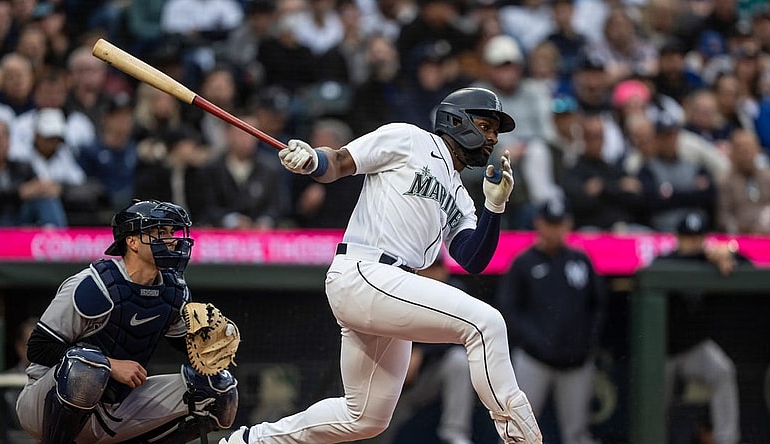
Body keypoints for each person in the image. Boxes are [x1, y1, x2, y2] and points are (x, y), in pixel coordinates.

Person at [221, 86, 542, 444]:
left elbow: (472, 259)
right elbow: (340, 162)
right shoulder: (409, 138)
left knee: (365, 418)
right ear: (457, 120)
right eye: (486, 125)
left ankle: (248, 441)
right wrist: (313, 160)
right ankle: (522, 439)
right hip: (366, 271)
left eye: (495, 131)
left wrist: (494, 208)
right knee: (486, 324)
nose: (492, 138)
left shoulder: (462, 196)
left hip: (392, 288)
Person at [15, 199, 239, 443]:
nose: (172, 239)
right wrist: (110, 365)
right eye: (160, 232)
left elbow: (184, 346)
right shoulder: (93, 285)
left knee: (219, 389)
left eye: (171, 232)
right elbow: (38, 348)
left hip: (114, 408)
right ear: (132, 241)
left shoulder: (174, 290)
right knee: (86, 366)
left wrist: (208, 342)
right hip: (44, 403)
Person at [496, 198, 606, 444]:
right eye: (549, 223)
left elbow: (597, 306)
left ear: (569, 225)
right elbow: (508, 310)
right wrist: (535, 340)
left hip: (576, 363)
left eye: (560, 223)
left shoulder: (580, 261)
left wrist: (587, 343)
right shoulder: (524, 263)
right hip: (534, 361)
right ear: (538, 224)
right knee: (517, 433)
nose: (554, 230)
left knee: (577, 434)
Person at [651, 210, 745, 444]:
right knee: (654, 407)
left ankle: (727, 440)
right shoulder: (667, 260)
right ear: (678, 238)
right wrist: (706, 255)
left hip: (692, 349)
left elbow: (748, 263)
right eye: (687, 238)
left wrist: (728, 252)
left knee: (723, 370)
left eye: (697, 238)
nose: (692, 243)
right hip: (659, 353)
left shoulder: (711, 258)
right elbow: (660, 266)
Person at [380, 257, 478, 444]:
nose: (432, 275)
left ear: (444, 271)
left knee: (459, 361)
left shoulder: (455, 292)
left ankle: (455, 434)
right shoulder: (405, 291)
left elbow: (460, 335)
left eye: (436, 269)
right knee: (380, 422)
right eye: (427, 270)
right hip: (402, 379)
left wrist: (422, 351)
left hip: (435, 372)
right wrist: (405, 352)